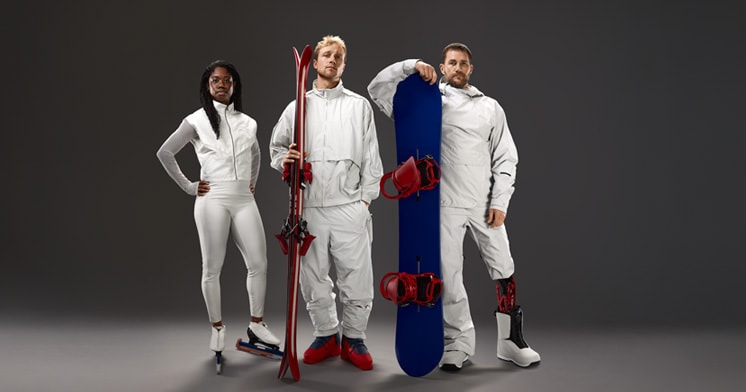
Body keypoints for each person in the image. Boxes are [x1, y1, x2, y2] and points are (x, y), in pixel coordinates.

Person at [367, 43, 541, 370]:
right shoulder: (429, 101)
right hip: (444, 203)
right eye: (452, 63)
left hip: (483, 202)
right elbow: (377, 89)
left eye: (463, 63)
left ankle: (510, 341)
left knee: (503, 265)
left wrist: (500, 201)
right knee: (448, 274)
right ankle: (458, 343)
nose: (458, 68)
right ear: (442, 66)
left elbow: (506, 157)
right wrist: (410, 65)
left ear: (470, 69)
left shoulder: (490, 107)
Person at [270, 35, 384, 371]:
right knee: (313, 277)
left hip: (350, 205)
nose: (332, 60)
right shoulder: (298, 106)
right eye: (326, 55)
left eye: (338, 56)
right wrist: (285, 160)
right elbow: (277, 148)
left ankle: (354, 338)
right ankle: (326, 335)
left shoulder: (358, 105)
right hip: (310, 208)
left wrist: (365, 201)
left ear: (343, 65)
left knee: (356, 276)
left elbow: (372, 158)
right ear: (314, 64)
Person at [156, 60, 280, 359]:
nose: (222, 84)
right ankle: (217, 327)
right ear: (207, 86)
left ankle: (257, 323)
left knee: (259, 262)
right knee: (212, 268)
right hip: (213, 197)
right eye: (215, 80)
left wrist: (252, 182)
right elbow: (165, 152)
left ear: (235, 85)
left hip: (243, 199)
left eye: (227, 80)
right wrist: (189, 186)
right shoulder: (196, 120)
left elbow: (255, 153)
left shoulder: (248, 122)